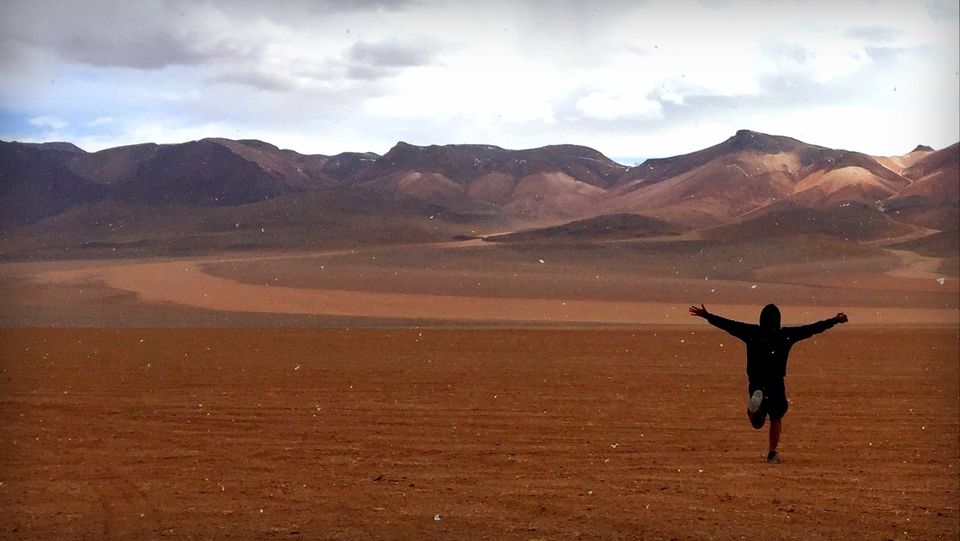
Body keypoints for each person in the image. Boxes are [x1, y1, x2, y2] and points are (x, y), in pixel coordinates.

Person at [688, 303, 848, 464]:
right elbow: (812, 328)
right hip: (776, 382)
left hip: (757, 381)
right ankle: (772, 453)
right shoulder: (786, 335)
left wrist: (707, 316)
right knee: (776, 417)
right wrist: (835, 320)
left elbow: (729, 325)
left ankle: (755, 411)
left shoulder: (752, 332)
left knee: (757, 424)